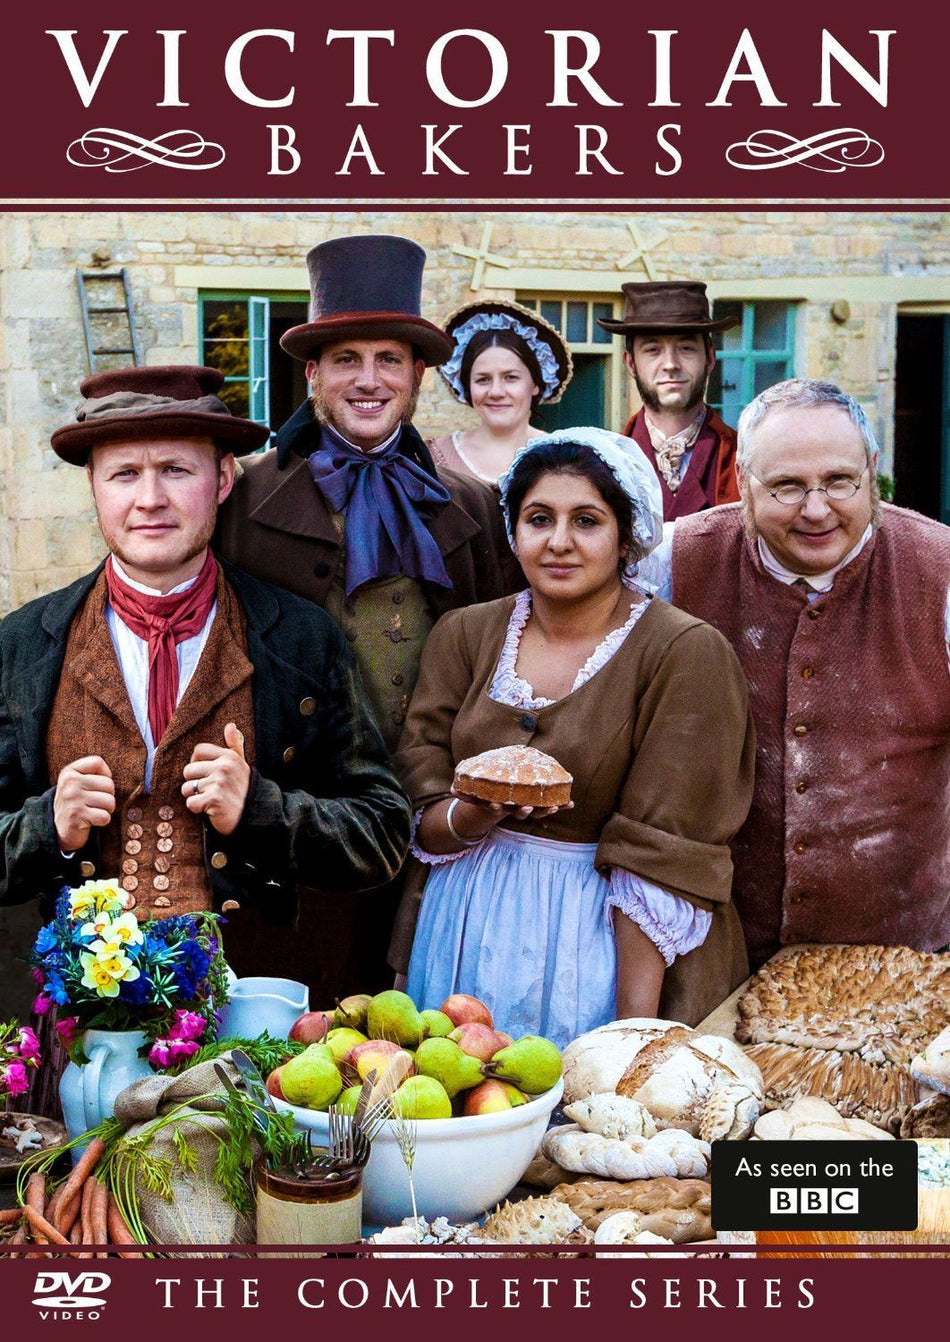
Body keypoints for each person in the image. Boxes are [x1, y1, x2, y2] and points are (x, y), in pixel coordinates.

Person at [0, 366, 410, 992]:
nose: (150, 499)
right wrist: (44, 824)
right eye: (125, 474)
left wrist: (262, 809)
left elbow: (381, 834)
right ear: (94, 486)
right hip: (82, 1024)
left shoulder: (302, 638)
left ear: (222, 480)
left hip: (254, 1008)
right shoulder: (25, 645)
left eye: (176, 470)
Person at [217, 233, 518, 995]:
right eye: (347, 360)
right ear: (313, 372)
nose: (369, 380)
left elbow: (500, 661)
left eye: (389, 360)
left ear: (419, 374)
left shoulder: (476, 508)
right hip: (293, 836)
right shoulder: (243, 500)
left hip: (434, 833)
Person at [395, 428, 755, 1046]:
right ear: (514, 533)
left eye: (586, 521)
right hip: (465, 917)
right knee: (455, 1097)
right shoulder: (465, 634)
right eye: (539, 519)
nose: (559, 542)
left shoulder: (682, 653)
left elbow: (663, 854)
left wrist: (627, 1041)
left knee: (582, 1123)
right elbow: (417, 776)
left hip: (605, 942)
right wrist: (468, 816)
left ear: (627, 536)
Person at [637, 377, 950, 968]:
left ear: (873, 471)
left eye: (839, 481)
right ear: (742, 485)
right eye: (786, 486)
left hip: (904, 960)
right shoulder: (671, 561)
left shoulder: (942, 573)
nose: (816, 509)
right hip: (714, 953)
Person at [598, 281, 741, 521]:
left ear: (710, 359)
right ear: (631, 363)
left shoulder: (746, 459)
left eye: (686, 348)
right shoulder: (604, 464)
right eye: (653, 350)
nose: (671, 365)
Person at [430, 300, 572, 485]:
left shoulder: (566, 458)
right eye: (483, 379)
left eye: (510, 377)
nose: (496, 392)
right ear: (467, 387)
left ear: (536, 383)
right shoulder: (436, 458)